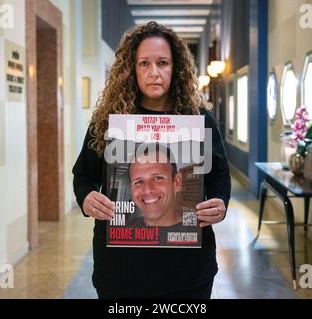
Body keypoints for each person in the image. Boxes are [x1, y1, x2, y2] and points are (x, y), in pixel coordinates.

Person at [72, 21, 231, 299]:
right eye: (144, 63)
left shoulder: (199, 120)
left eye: (163, 63)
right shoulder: (107, 122)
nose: (154, 73)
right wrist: (86, 199)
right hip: (121, 272)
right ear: (131, 69)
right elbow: (83, 176)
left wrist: (220, 202)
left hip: (188, 272)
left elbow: (219, 175)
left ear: (176, 68)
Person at [128, 144, 183, 227]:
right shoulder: (125, 229)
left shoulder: (199, 230)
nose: (147, 190)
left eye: (158, 178)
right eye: (139, 182)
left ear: (177, 182)